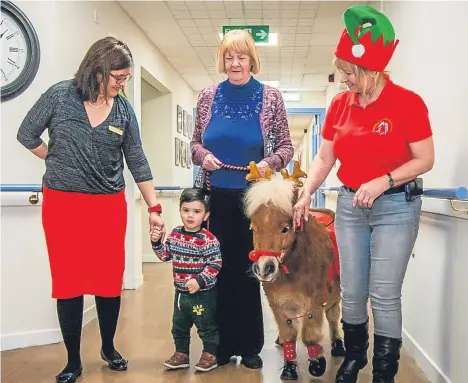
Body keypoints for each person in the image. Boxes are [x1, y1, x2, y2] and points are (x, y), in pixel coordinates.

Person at [293, 5, 434, 383]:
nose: (343, 81)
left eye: (349, 73)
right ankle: (355, 358)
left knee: (384, 294)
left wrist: (384, 180)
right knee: (352, 292)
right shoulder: (340, 105)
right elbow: (325, 158)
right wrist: (307, 191)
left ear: (371, 71)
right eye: (341, 73)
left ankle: (384, 372)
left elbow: (425, 158)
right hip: (351, 207)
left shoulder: (408, 103)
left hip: (395, 207)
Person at [17, 37, 165, 383]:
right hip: (63, 205)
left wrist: (155, 206)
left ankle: (108, 347)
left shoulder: (124, 110)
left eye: (126, 78)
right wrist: (53, 156)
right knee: (67, 282)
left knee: (108, 281)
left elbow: (137, 160)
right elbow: (27, 133)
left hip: (108, 206)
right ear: (97, 70)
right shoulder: (60, 95)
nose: (122, 84)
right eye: (118, 77)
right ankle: (72, 361)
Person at [190, 29, 293, 368]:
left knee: (249, 271)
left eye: (241, 56)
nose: (235, 63)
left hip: (255, 202)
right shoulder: (207, 96)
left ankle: (249, 346)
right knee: (217, 271)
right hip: (216, 197)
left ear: (252, 59)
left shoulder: (271, 97)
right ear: (223, 59)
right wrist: (202, 155)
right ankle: (219, 346)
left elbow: (286, 148)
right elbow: (194, 144)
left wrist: (269, 162)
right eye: (229, 57)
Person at [151, 188, 222, 372]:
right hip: (181, 295)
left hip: (203, 296)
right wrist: (157, 242)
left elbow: (215, 264)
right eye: (186, 210)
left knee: (206, 327)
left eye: (197, 212)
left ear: (206, 215)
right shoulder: (175, 234)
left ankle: (210, 354)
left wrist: (199, 281)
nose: (190, 216)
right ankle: (181, 354)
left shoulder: (208, 240)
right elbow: (165, 255)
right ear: (180, 210)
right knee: (179, 326)